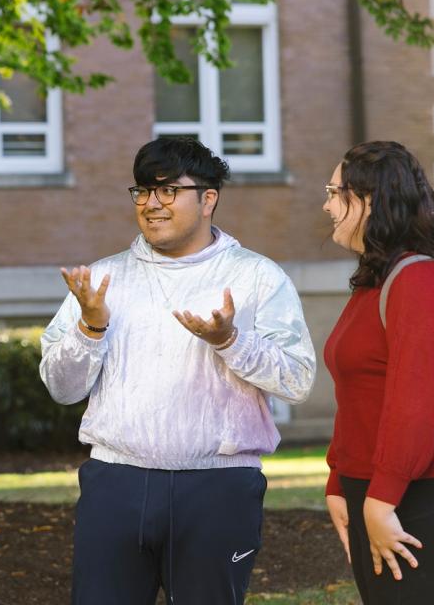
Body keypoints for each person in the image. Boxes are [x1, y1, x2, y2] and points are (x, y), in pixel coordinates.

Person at [40, 137, 316, 605]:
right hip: (116, 482)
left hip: (218, 486)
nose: (152, 204)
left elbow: (297, 380)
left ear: (209, 198)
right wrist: (91, 326)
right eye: (143, 191)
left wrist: (230, 340)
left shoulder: (257, 277)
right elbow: (62, 389)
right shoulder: (104, 281)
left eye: (169, 191)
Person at [321, 141, 434, 603]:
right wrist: (339, 482)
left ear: (371, 200)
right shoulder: (375, 280)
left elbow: (413, 403)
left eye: (336, 192)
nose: (327, 204)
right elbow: (358, 395)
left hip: (426, 499)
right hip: (378, 493)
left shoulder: (421, 281)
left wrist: (381, 500)